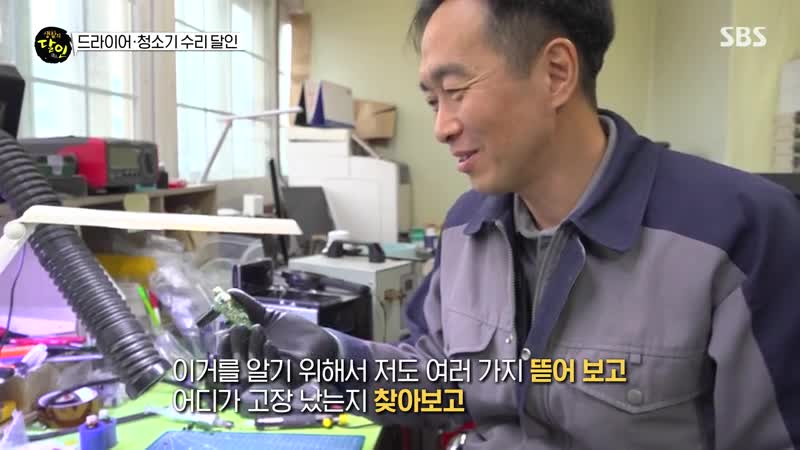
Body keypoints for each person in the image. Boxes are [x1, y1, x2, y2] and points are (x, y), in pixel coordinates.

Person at [219, 0, 800, 448]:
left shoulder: (738, 233)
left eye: (455, 91)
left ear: (556, 73)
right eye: (432, 101)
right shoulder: (465, 227)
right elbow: (443, 388)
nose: (441, 127)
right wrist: (334, 358)